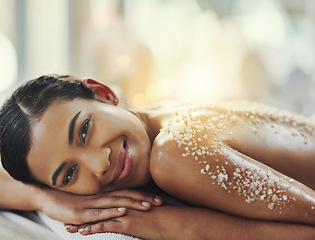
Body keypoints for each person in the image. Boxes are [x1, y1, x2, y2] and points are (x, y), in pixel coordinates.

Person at [1, 75, 315, 239]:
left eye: (84, 131)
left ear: (103, 92)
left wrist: (175, 227)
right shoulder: (155, 119)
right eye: (70, 174)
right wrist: (43, 199)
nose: (100, 164)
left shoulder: (173, 153)